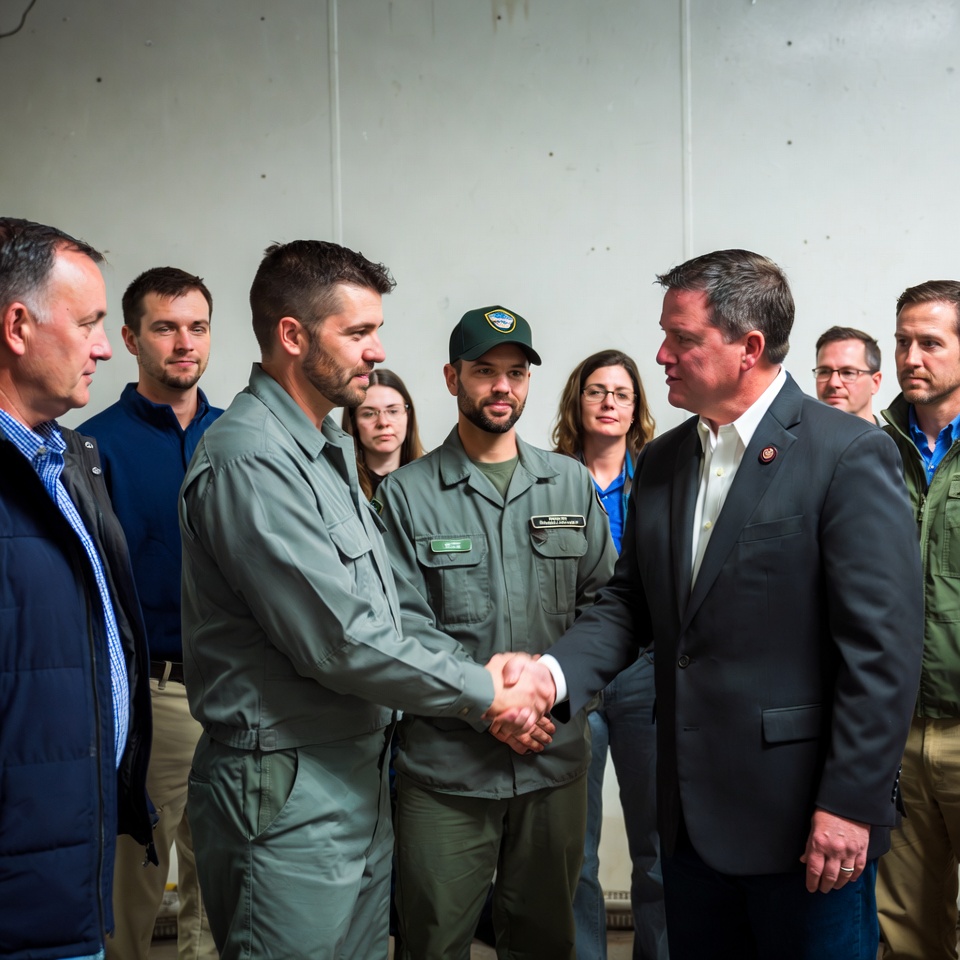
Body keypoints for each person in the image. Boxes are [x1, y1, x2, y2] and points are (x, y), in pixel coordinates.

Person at [508, 249, 923, 960]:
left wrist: (852, 804)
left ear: (748, 348)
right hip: (692, 823)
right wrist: (552, 675)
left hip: (808, 827)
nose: (662, 355)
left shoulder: (846, 454)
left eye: (684, 339)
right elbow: (630, 603)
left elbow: (882, 650)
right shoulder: (666, 461)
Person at [178, 243, 552, 960]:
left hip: (350, 780)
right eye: (357, 333)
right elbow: (340, 638)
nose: (377, 351)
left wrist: (477, 678)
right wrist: (485, 690)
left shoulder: (321, 446)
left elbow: (383, 615)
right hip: (285, 790)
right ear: (293, 336)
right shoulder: (252, 457)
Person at [377, 305, 618, 960]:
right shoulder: (406, 494)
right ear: (454, 377)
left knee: (545, 939)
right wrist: (489, 707)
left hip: (553, 760)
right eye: (486, 371)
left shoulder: (567, 482)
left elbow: (606, 610)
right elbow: (402, 627)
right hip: (446, 768)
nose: (502, 387)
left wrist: (550, 700)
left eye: (515, 373)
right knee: (433, 940)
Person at [0, 217, 154, 960]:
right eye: (90, 322)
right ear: (18, 325)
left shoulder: (73, 462)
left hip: (68, 871)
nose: (103, 346)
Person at [81, 267, 222, 960]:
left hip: (239, 692)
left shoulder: (240, 438)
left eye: (197, 327)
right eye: (165, 328)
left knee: (221, 881)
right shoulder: (91, 447)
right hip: (151, 694)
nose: (184, 343)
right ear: (132, 338)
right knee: (135, 883)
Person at [552, 349, 665, 960]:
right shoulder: (548, 477)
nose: (609, 403)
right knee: (575, 846)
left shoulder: (661, 476)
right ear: (579, 401)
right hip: (575, 668)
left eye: (621, 393)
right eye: (597, 391)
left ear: (635, 407)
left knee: (658, 847)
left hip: (645, 669)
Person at [876, 280, 960, 959]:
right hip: (893, 729)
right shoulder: (868, 452)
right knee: (905, 923)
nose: (911, 356)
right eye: (903, 341)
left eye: (930, 342)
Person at [342, 368, 424, 500]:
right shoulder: (340, 486)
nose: (383, 422)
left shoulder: (431, 480)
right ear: (354, 422)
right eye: (368, 413)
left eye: (393, 411)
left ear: (408, 415)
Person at [813, 326, 882, 423]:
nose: (833, 383)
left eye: (848, 373)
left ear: (875, 383)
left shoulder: (895, 438)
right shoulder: (796, 436)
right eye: (824, 371)